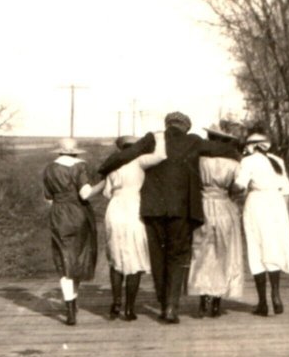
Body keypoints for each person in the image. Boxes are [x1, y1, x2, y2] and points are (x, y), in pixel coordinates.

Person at [98, 111, 239, 324]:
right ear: (186, 127)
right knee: (176, 256)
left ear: (167, 125)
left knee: (157, 258)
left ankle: (163, 303)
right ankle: (171, 309)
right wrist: (242, 151)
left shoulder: (152, 138)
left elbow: (125, 155)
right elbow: (223, 149)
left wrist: (103, 168)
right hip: (182, 210)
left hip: (153, 208)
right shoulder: (193, 141)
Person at [103, 132, 167, 321]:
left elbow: (107, 193)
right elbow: (161, 156)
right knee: (135, 258)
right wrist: (160, 137)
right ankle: (130, 308)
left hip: (115, 208)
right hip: (133, 207)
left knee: (116, 257)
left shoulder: (112, 164)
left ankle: (116, 301)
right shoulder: (139, 161)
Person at [235, 129, 289, 316]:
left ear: (250, 146)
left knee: (256, 249)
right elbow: (286, 191)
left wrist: (231, 189)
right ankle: (276, 294)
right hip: (277, 205)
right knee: (274, 248)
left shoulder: (247, 161)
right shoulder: (278, 161)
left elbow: (240, 185)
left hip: (257, 204)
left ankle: (263, 302)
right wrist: (282, 215)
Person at [43, 137, 105, 326]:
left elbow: (48, 198)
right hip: (78, 213)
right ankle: (73, 304)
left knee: (64, 259)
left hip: (58, 215)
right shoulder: (79, 166)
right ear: (76, 151)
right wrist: (103, 183)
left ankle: (70, 307)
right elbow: (85, 193)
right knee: (77, 258)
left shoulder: (49, 168)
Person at [187, 126, 244, 317]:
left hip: (202, 207)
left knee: (202, 253)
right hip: (224, 207)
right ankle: (217, 302)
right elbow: (239, 188)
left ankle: (203, 299)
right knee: (223, 254)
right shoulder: (233, 163)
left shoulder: (199, 160)